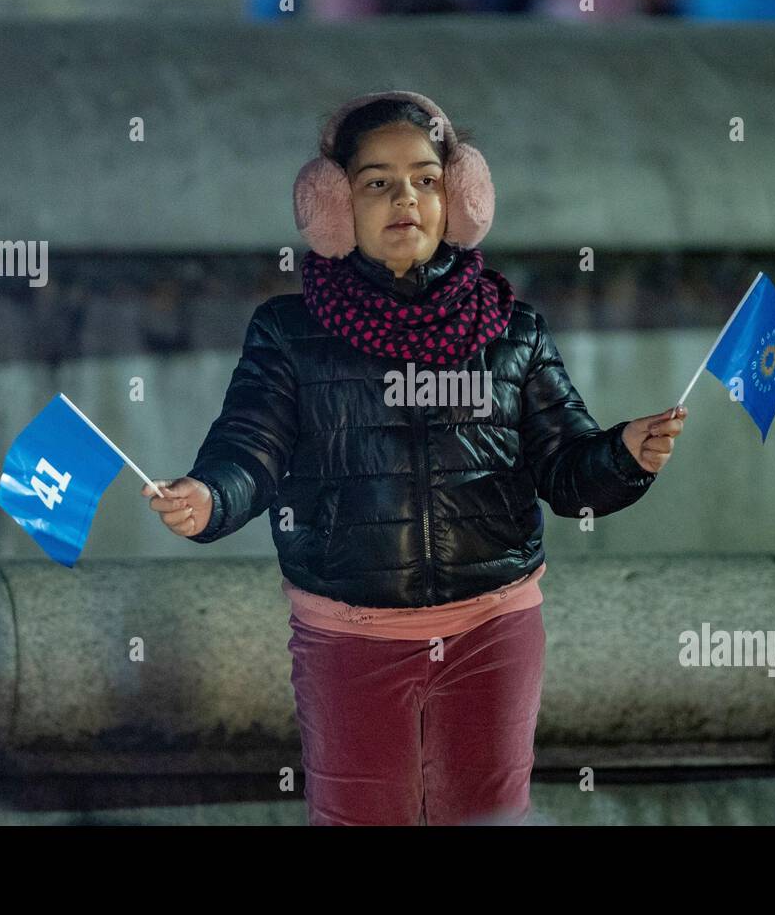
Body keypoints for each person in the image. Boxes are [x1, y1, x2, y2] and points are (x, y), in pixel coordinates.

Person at [142, 90, 687, 825]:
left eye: (427, 179)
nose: (406, 197)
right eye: (377, 182)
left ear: (459, 197)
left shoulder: (513, 331)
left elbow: (566, 469)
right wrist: (209, 498)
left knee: (490, 821)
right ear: (335, 205)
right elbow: (251, 450)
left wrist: (623, 454)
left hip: (493, 627)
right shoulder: (287, 332)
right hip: (349, 637)